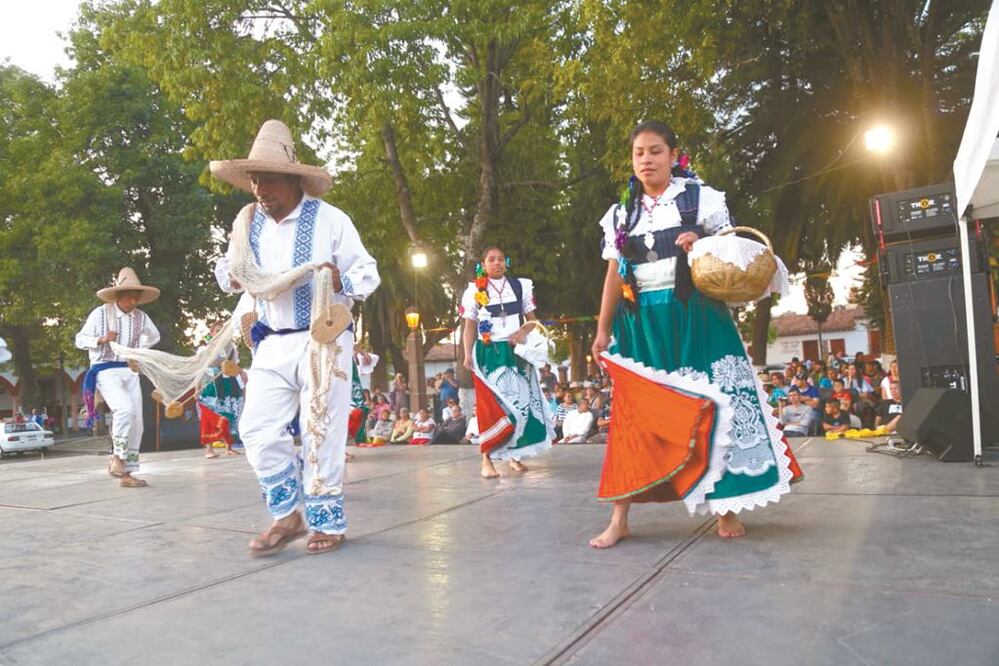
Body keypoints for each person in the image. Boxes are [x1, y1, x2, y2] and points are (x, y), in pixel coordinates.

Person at [589, 121, 801, 548]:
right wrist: (602, 329)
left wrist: (701, 241)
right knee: (634, 414)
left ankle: (726, 508)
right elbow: (614, 274)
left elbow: (734, 254)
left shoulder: (702, 198)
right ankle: (620, 517)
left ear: (673, 155)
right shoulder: (619, 214)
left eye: (655, 151)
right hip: (642, 324)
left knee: (718, 402)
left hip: (697, 316)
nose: (646, 159)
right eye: (639, 153)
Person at [211, 119, 380, 556]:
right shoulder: (247, 223)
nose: (258, 189)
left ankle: (327, 521)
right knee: (256, 428)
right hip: (271, 339)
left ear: (290, 178)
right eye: (253, 180)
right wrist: (234, 274)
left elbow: (367, 272)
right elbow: (228, 274)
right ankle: (288, 514)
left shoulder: (330, 220)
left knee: (320, 426)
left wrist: (337, 277)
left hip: (324, 339)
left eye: (266, 179)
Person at [461, 246, 554, 478]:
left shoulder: (521, 286)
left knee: (521, 404)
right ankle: (487, 459)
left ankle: (515, 455)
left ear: (507, 262)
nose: (497, 263)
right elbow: (469, 327)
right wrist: (466, 355)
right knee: (491, 406)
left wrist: (521, 334)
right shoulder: (474, 290)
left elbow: (532, 321)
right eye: (491, 260)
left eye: (501, 259)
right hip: (488, 352)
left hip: (516, 352)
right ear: (483, 264)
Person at [75, 267, 161, 488]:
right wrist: (101, 339)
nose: (133, 302)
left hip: (130, 370)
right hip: (105, 369)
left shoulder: (141, 317)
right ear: (119, 296)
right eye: (129, 297)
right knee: (124, 410)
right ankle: (117, 457)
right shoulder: (101, 313)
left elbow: (154, 336)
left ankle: (127, 474)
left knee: (137, 422)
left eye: (136, 298)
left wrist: (137, 351)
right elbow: (80, 339)